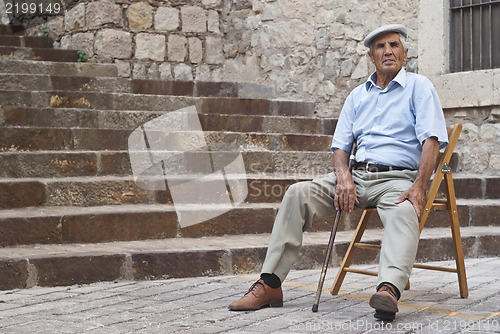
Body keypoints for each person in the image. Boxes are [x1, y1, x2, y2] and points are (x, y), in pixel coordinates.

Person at [228, 24, 448, 321]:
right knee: (298, 193)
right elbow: (341, 147)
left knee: (404, 210)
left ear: (405, 53)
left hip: (396, 179)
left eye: (394, 45)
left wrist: (420, 186)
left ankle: (388, 290)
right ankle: (270, 285)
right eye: (380, 47)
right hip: (355, 177)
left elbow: (431, 140)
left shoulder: (420, 88)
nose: (388, 51)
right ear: (372, 57)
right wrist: (343, 177)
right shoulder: (358, 95)